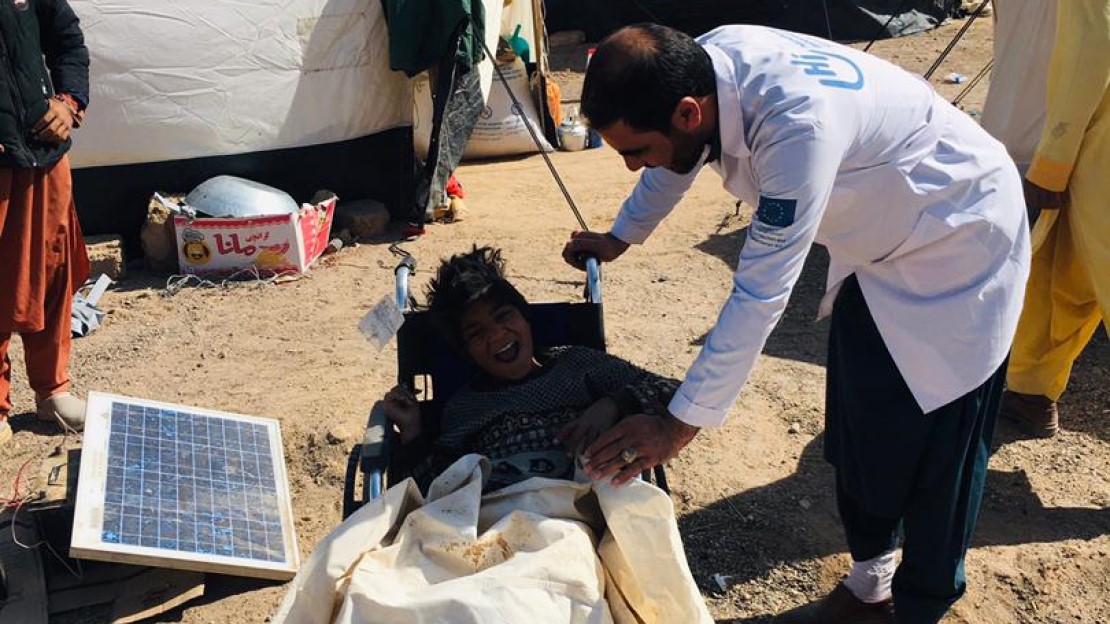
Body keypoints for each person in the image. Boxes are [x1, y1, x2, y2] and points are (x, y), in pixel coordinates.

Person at [561, 24, 1030, 624]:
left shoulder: (795, 129)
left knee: (943, 447)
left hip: (961, 238)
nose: (632, 167)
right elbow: (670, 161)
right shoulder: (704, 65)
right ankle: (870, 587)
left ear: (686, 112)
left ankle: (924, 605)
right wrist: (621, 235)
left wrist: (677, 424)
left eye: (636, 151)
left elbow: (760, 292)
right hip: (880, 250)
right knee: (862, 426)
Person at [382, 245, 679, 493]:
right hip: (496, 519)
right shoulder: (463, 407)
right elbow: (433, 491)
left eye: (504, 316)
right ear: (466, 353)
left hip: (587, 507)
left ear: (526, 319)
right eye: (476, 333)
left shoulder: (579, 365)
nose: (497, 336)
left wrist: (614, 403)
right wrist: (412, 431)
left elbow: (677, 394)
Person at [982, 0, 1110, 439]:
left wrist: (1052, 162)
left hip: (1091, 142)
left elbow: (1091, 47)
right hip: (1080, 134)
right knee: (1055, 267)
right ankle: (1030, 393)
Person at [0, 0, 91, 446]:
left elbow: (67, 41)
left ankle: (52, 389)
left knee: (54, 269)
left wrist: (68, 102)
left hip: (43, 149)